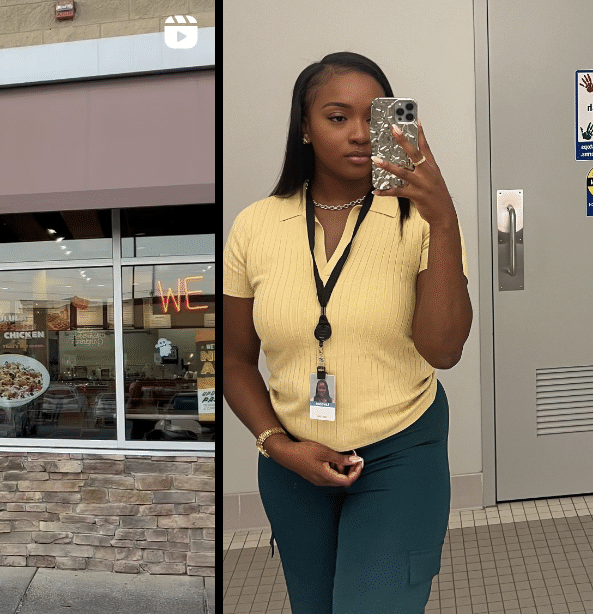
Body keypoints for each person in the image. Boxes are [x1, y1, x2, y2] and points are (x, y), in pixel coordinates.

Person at [221, 51, 472, 614]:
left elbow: (444, 349)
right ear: (305, 128)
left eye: (374, 116)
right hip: (293, 463)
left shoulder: (416, 218)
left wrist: (445, 217)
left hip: (400, 450)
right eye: (338, 117)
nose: (360, 134)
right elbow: (236, 360)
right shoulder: (254, 226)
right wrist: (277, 446)